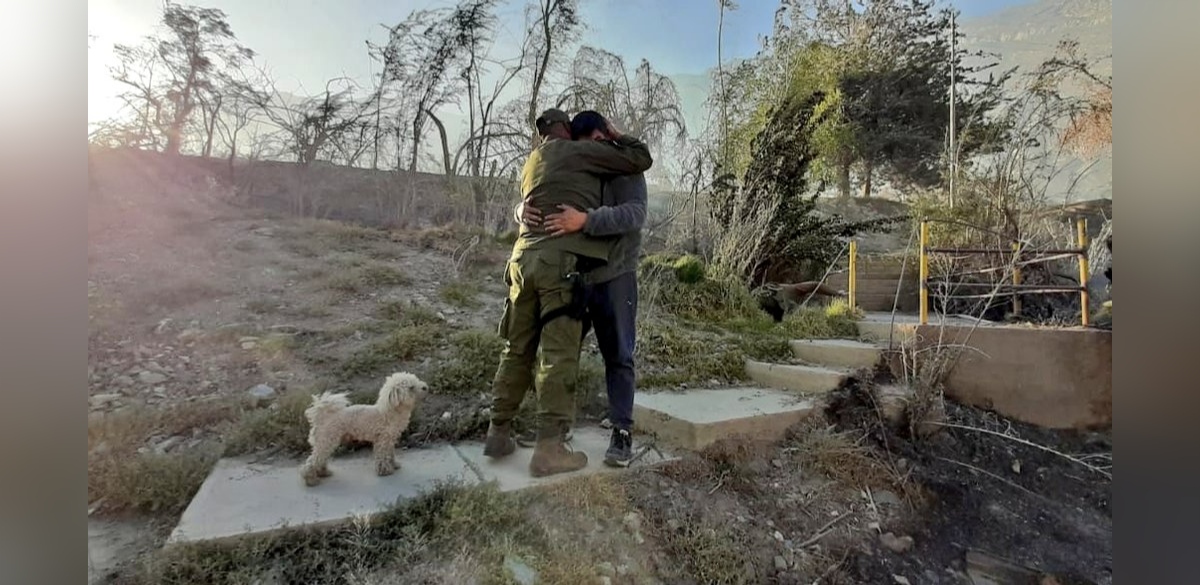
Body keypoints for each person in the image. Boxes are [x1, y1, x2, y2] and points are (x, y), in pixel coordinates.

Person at [483, 108, 653, 478]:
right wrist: (520, 210)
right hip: (571, 272)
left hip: (610, 272)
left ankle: (619, 432)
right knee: (560, 353)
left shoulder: (612, 164)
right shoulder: (577, 154)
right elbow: (541, 194)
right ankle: (552, 441)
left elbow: (636, 213)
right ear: (571, 138)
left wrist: (585, 220)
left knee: (615, 354)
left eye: (599, 142)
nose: (597, 148)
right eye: (589, 143)